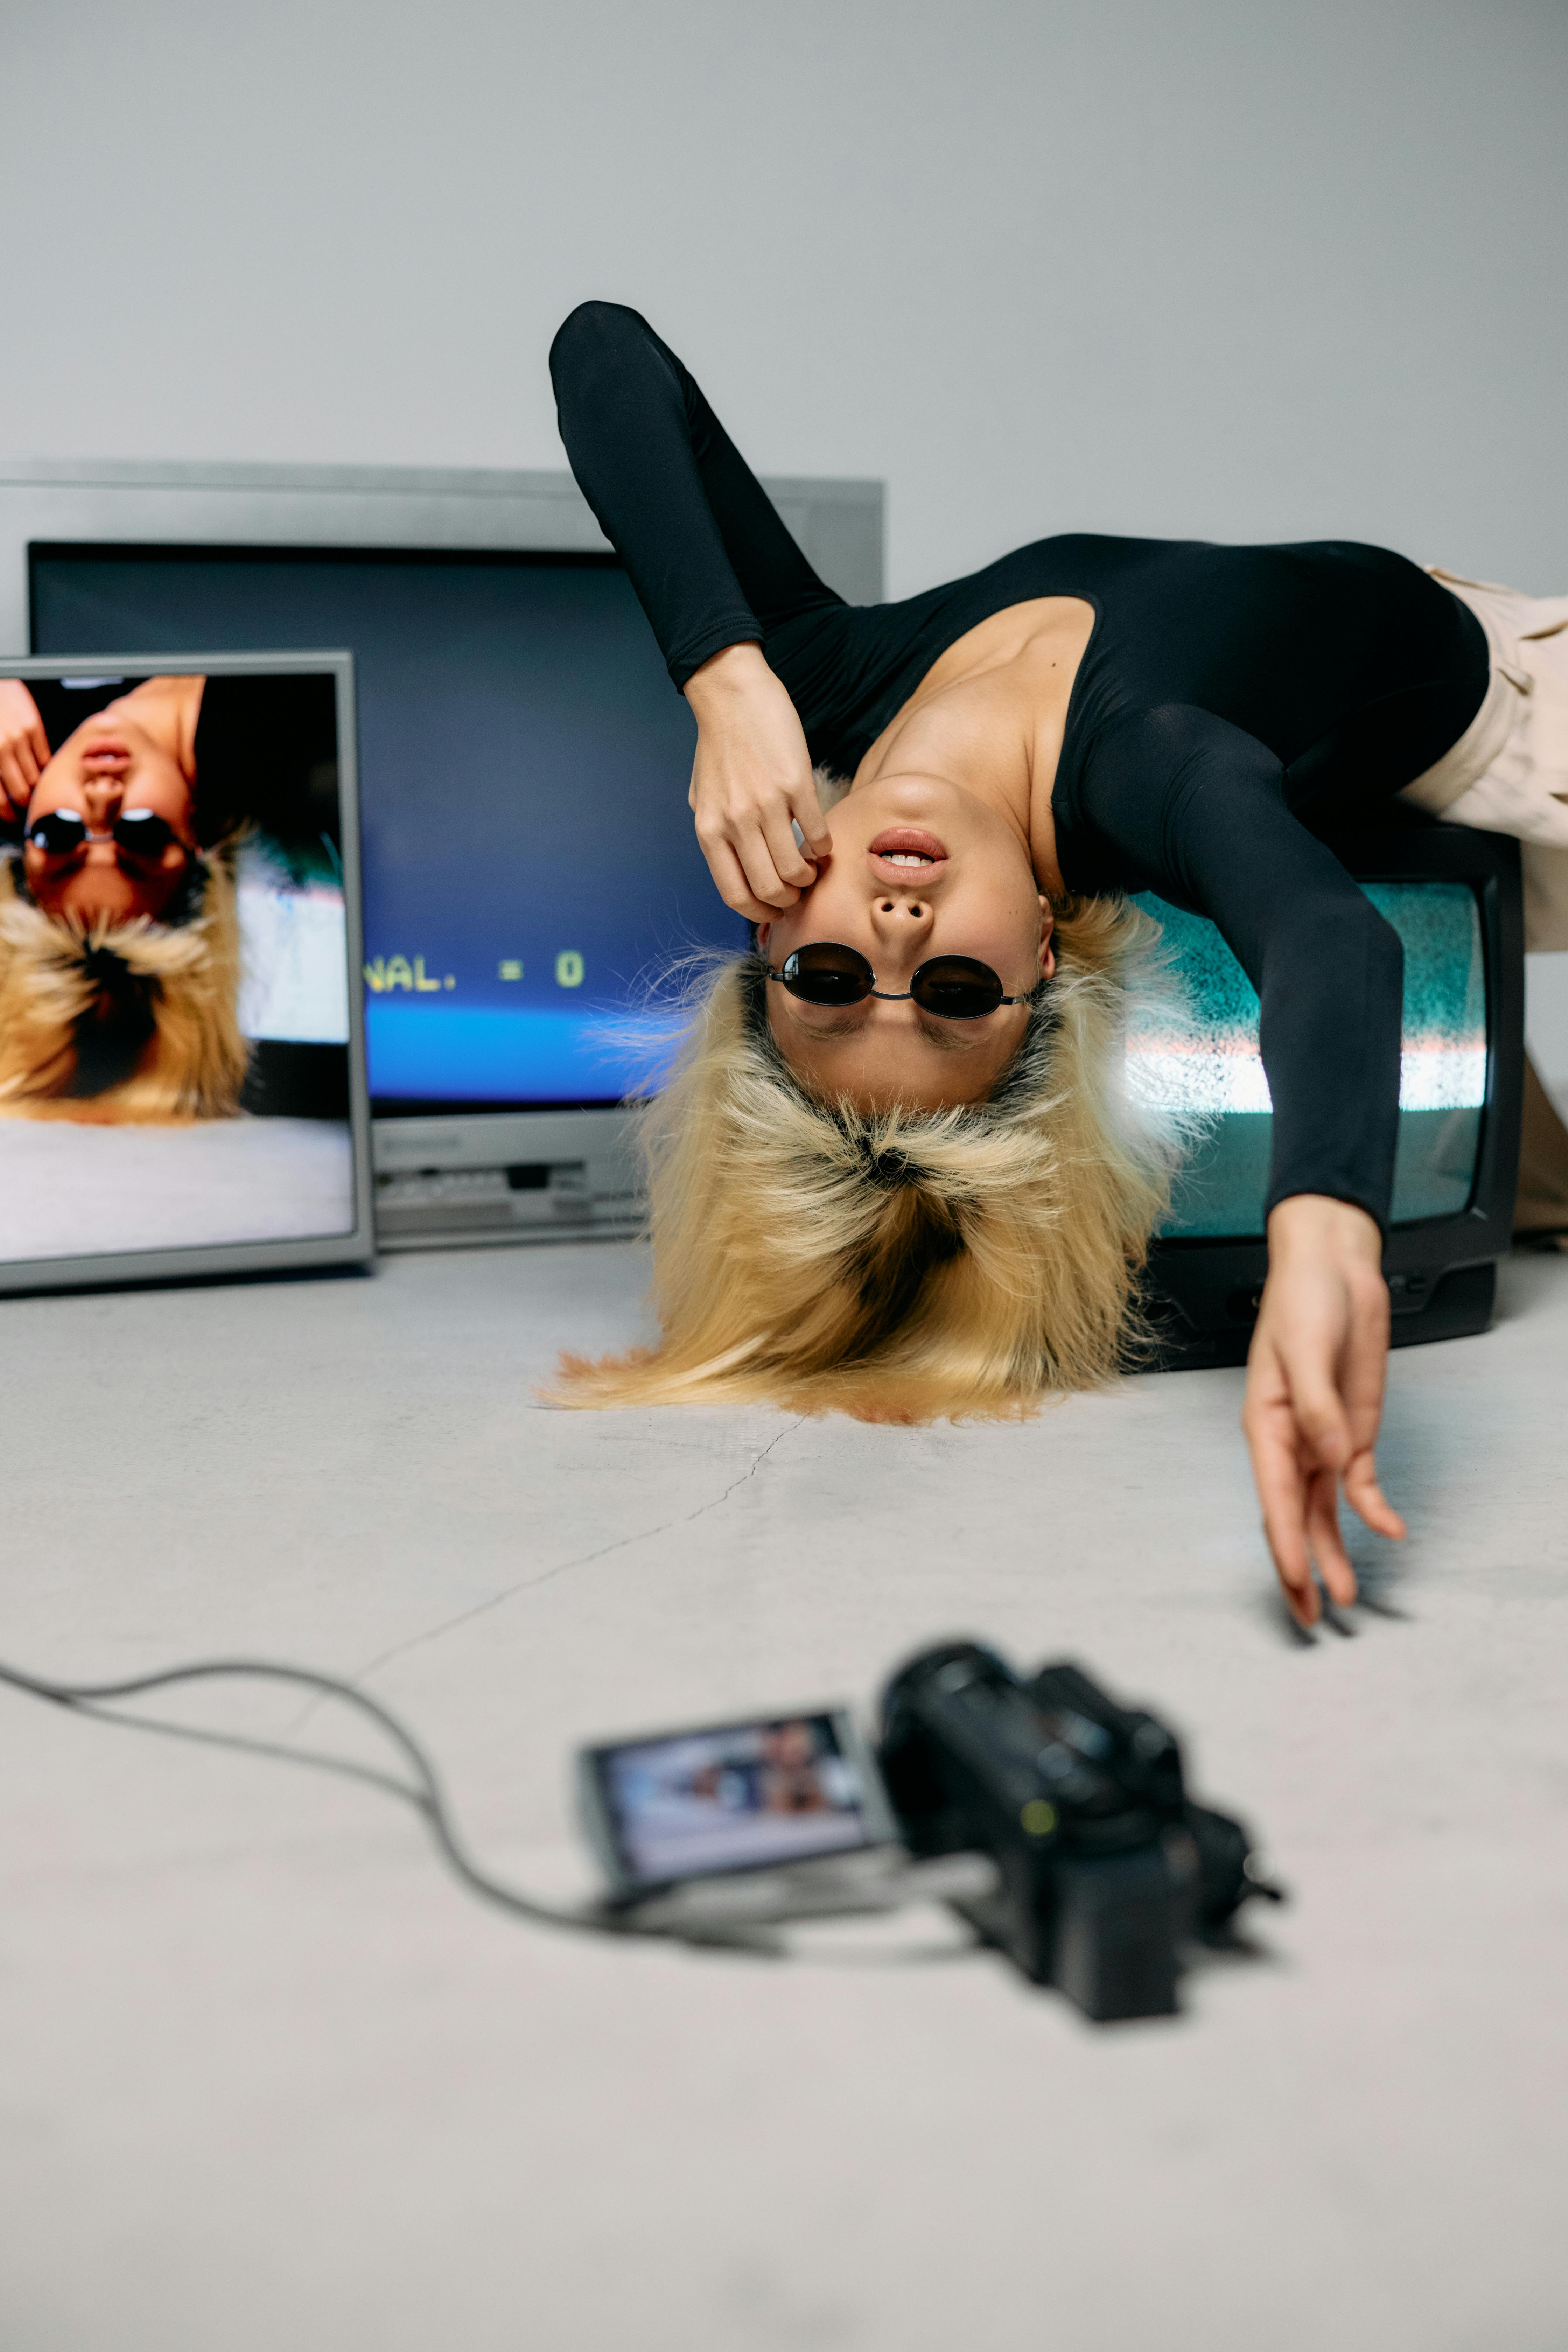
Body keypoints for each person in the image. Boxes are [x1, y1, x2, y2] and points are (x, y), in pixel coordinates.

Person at [546, 301, 1568, 1630]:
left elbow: (606, 349)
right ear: (1038, 953)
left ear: (767, 931)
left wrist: (723, 679)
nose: (899, 938)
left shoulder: (819, 682)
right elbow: (1330, 938)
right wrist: (1325, 1238)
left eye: (834, 983)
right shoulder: (1141, 772)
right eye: (958, 1000)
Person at [0, 669, 336, 1121]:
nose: (102, 795)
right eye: (143, 836)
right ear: (197, 849)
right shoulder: (290, 744)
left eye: (58, 834)